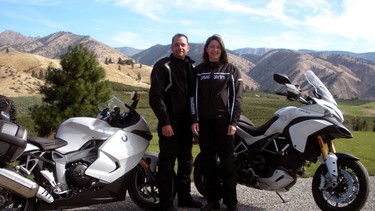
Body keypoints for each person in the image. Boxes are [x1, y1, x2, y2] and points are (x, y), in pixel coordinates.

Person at [149, 33, 203, 211]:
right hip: (170, 124)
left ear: (188, 48)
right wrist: (165, 123)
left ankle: (185, 198)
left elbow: (194, 97)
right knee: (167, 163)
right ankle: (166, 204)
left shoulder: (191, 67)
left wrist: (195, 121)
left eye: (183, 45)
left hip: (187, 124)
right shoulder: (163, 66)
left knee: (186, 161)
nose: (180, 48)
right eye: (177, 45)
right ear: (171, 47)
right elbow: (156, 97)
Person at [190, 34, 243, 211]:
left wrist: (233, 121)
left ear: (222, 49)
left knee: (228, 164)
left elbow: (237, 98)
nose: (215, 50)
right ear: (206, 49)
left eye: (218, 47)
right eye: (212, 46)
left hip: (224, 124)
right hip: (204, 124)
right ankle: (213, 201)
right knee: (208, 163)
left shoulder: (231, 70)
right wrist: (194, 119)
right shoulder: (198, 71)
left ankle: (231, 202)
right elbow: (193, 97)